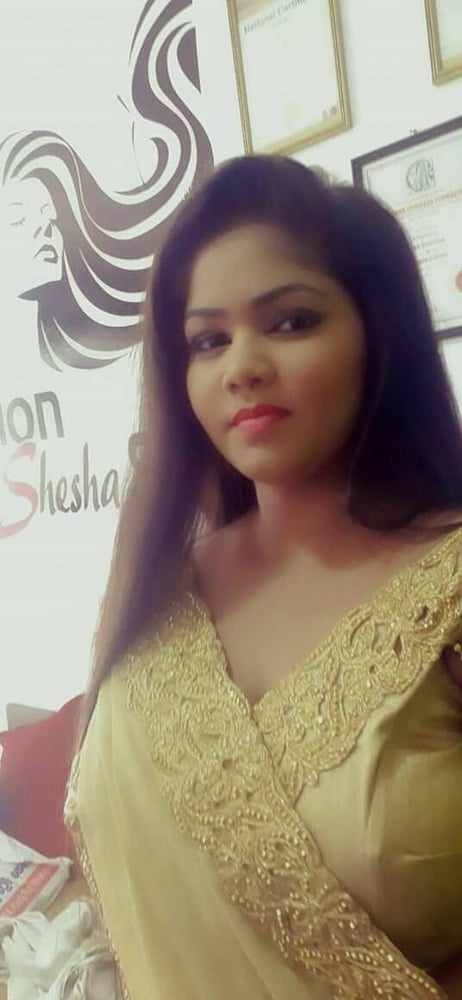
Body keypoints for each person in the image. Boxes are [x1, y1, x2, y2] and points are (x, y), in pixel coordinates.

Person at [65, 155, 462, 999]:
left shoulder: (448, 588)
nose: (240, 364)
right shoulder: (157, 593)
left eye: (290, 321)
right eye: (207, 340)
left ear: (377, 335)